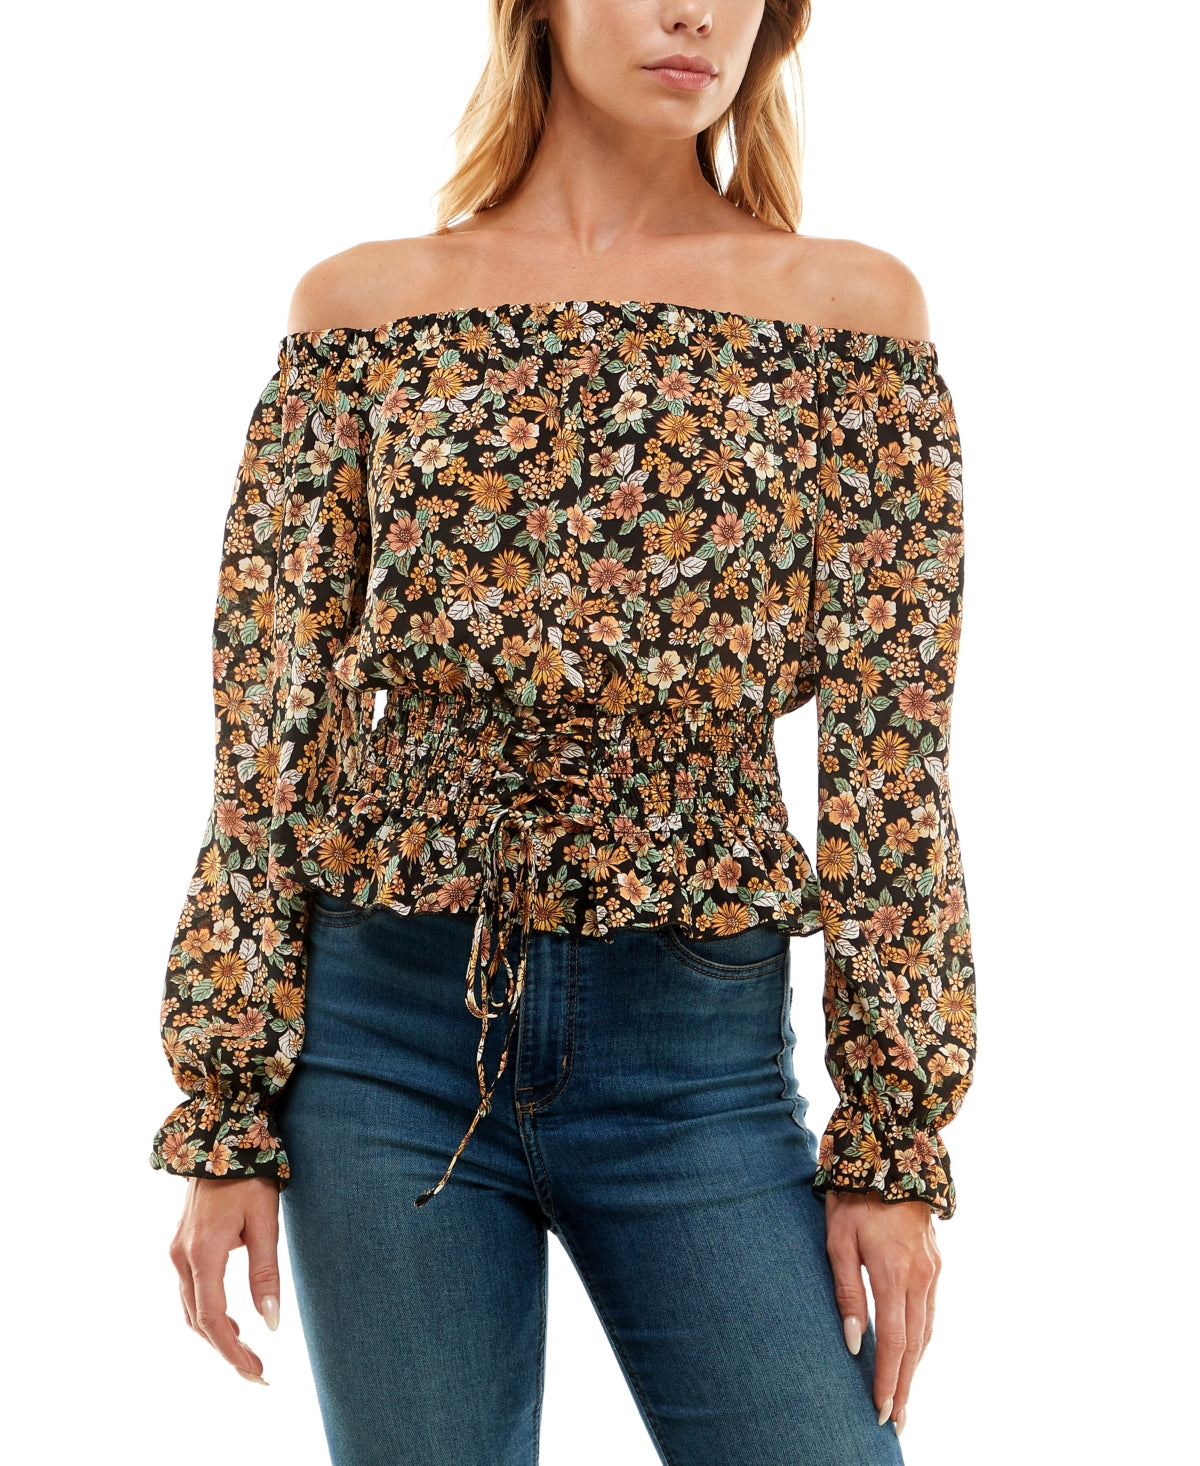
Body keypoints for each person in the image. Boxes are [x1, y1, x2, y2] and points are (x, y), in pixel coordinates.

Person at [152, 3, 976, 1463]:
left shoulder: (848, 322)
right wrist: (226, 1108)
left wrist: (892, 1146)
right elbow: (270, 724)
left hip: (694, 1056)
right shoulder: (364, 315)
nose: (696, 12)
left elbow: (893, 758)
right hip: (384, 1039)